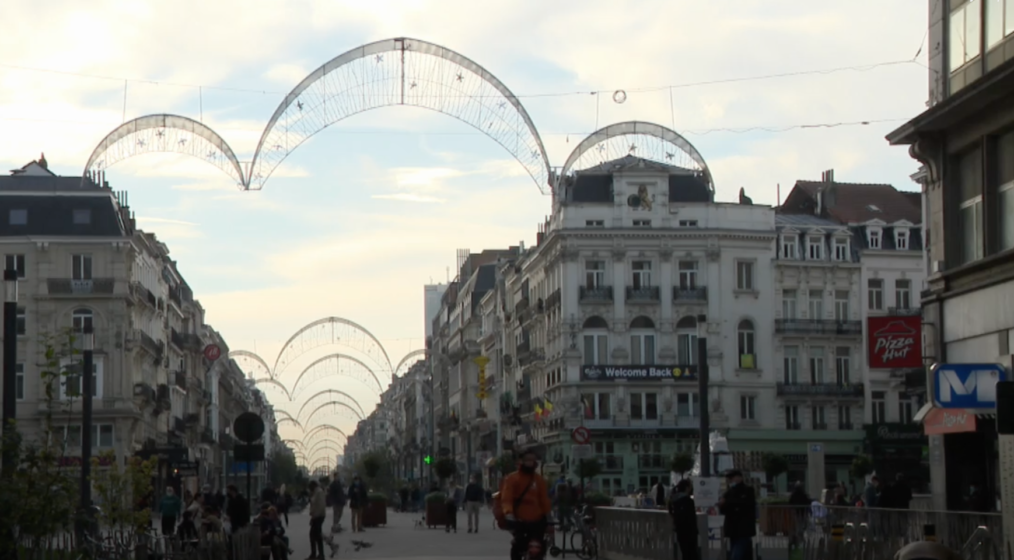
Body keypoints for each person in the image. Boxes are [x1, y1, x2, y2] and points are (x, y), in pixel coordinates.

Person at [501, 448, 553, 560]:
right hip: (520, 520)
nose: (530, 462)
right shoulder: (512, 478)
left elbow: (544, 500)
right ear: (521, 461)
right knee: (518, 546)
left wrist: (549, 519)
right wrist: (509, 514)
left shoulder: (539, 480)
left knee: (539, 547)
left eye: (532, 460)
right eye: (527, 459)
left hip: (537, 520)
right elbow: (507, 499)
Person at [718, 470, 756, 560]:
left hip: (743, 528)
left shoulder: (747, 490)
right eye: (729, 478)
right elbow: (723, 509)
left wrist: (728, 503)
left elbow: (745, 504)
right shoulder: (728, 492)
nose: (731, 480)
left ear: (740, 477)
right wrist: (723, 504)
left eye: (732, 478)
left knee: (737, 554)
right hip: (732, 529)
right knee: (738, 551)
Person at [668, 479, 699, 560]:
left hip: (680, 530)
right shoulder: (688, 501)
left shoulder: (674, 500)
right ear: (687, 488)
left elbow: (671, 512)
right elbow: (691, 518)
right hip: (689, 532)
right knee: (692, 554)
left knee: (685, 552)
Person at [308, 480, 327, 559]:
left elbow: (320, 505)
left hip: (318, 516)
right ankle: (318, 554)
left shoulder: (319, 492)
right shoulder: (316, 492)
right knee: (316, 535)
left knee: (315, 535)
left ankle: (317, 554)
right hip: (317, 516)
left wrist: (315, 516)